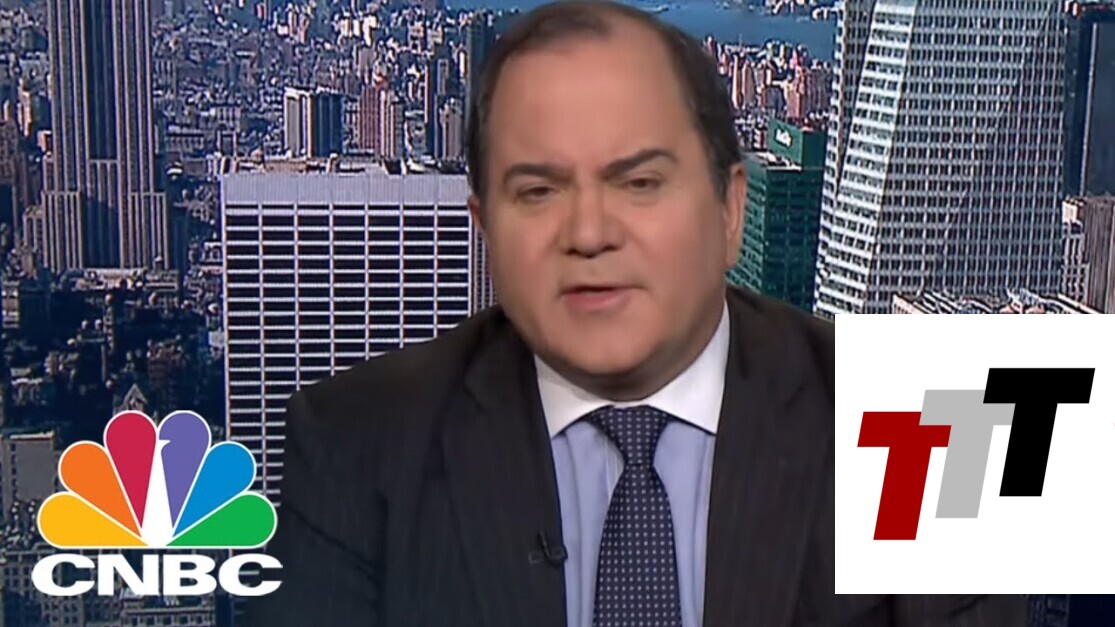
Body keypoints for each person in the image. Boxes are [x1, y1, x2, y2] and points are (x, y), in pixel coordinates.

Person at [245, 1, 1027, 625]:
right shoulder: (356, 447)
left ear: (728, 209)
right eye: (538, 191)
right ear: (486, 231)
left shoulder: (926, 425)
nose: (590, 232)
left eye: (641, 184)